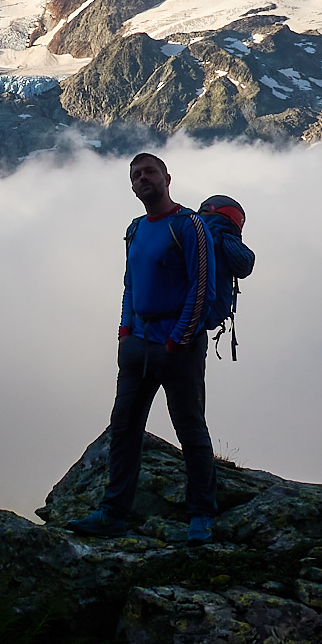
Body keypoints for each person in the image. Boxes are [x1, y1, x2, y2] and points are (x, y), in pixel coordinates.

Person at [67, 152, 221, 544]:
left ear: (167, 177)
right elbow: (130, 286)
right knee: (124, 430)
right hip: (137, 347)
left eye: (149, 171)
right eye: (135, 174)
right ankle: (113, 512)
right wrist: (124, 331)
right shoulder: (135, 229)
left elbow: (201, 290)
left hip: (177, 349)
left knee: (190, 429)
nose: (142, 178)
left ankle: (201, 514)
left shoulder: (190, 226)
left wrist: (177, 340)